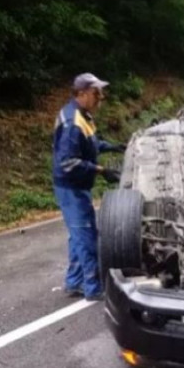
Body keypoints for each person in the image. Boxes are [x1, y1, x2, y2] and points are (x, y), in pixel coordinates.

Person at [52, 73, 125, 301]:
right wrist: (101, 170)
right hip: (71, 188)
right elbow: (68, 162)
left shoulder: (83, 116)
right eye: (96, 93)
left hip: (77, 186)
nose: (100, 97)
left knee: (78, 235)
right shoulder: (73, 123)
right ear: (82, 94)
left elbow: (91, 144)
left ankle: (74, 282)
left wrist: (114, 147)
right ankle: (93, 288)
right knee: (86, 236)